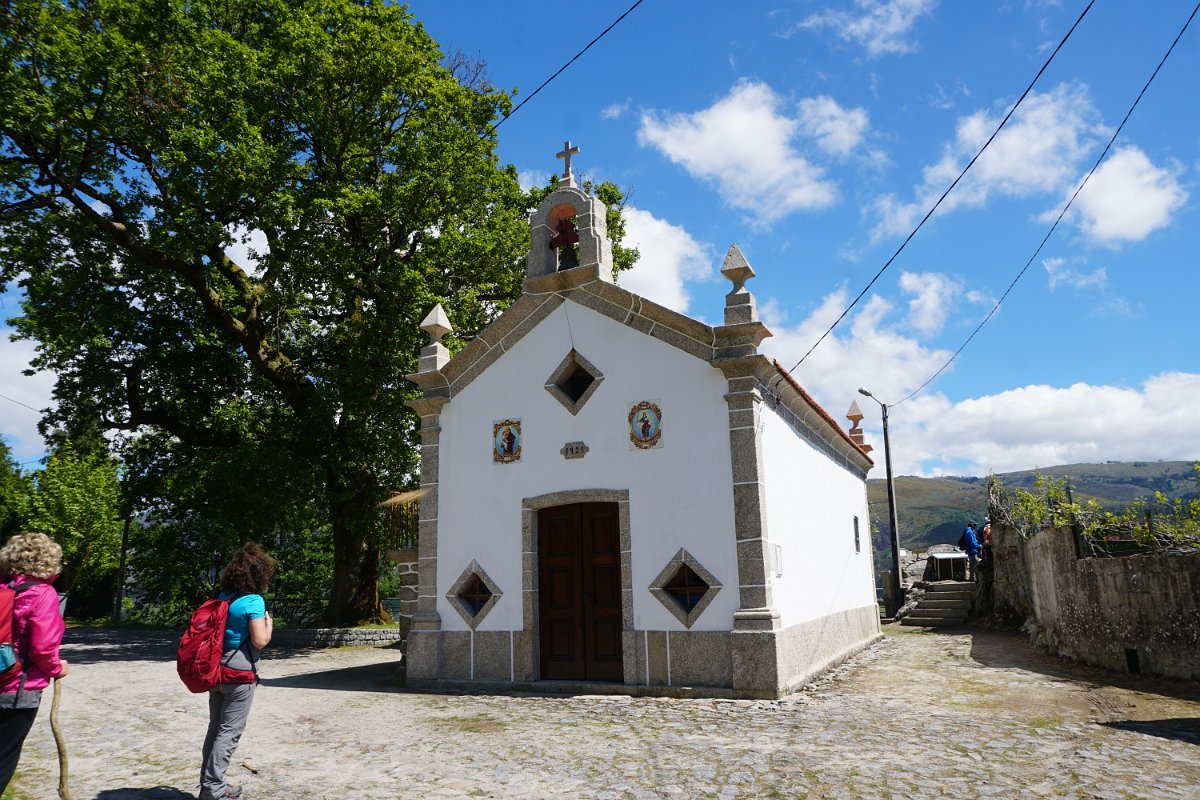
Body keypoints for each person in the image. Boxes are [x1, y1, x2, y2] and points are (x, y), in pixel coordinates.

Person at [200, 542, 275, 800]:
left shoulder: (223, 597)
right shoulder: (253, 601)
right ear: (260, 574)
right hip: (239, 674)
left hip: (215, 669)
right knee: (229, 732)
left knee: (215, 729)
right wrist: (269, 625)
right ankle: (215, 789)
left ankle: (209, 785)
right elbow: (259, 641)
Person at [0, 532, 69, 795]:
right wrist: (57, 668)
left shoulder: (2, 588)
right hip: (18, 689)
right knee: (4, 758)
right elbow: (43, 648)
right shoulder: (42, 594)